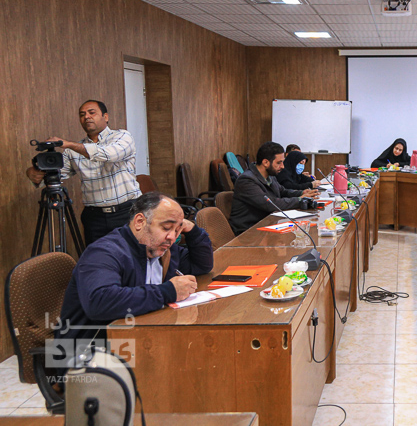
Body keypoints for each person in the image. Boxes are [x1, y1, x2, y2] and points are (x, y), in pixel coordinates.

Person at [56, 192, 213, 347]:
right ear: (139, 222)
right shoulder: (104, 252)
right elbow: (99, 302)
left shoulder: (163, 250)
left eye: (177, 230)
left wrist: (192, 231)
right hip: (90, 350)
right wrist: (167, 292)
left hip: (139, 338)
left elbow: (201, 265)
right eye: (166, 228)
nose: (172, 237)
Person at [25, 100, 142, 245]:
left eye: (92, 113)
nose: (86, 117)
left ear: (105, 117)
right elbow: (52, 176)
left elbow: (109, 154)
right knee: (96, 257)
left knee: (134, 255)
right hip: (94, 217)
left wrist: (68, 144)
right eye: (82, 114)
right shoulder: (73, 151)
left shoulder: (122, 136)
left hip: (127, 212)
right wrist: (35, 173)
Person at [229, 142, 319, 234]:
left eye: (283, 162)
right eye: (279, 163)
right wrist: (299, 200)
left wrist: (302, 193)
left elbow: (283, 191)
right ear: (265, 162)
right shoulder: (247, 180)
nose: (283, 166)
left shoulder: (270, 175)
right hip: (249, 232)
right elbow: (270, 204)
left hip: (267, 225)